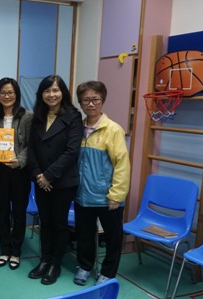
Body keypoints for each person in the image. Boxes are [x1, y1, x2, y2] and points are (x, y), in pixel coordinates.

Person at [72, 80, 130, 286]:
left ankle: (108, 272)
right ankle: (85, 266)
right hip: (82, 195)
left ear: (102, 101)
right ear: (80, 103)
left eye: (95, 99)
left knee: (113, 237)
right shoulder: (77, 128)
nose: (90, 104)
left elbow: (122, 164)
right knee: (85, 234)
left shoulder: (113, 129)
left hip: (107, 196)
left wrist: (116, 194)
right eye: (86, 100)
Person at [27, 75, 82, 285]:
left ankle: (55, 264)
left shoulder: (73, 116)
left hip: (62, 181)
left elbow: (72, 151)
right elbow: (31, 148)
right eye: (47, 90)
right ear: (42, 94)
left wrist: (48, 175)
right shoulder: (38, 116)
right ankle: (44, 260)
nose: (52, 94)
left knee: (59, 225)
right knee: (45, 223)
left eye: (56, 90)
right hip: (41, 181)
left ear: (63, 93)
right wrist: (39, 174)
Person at [0, 77, 33, 270]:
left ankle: (16, 251)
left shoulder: (28, 117)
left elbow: (32, 146)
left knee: (19, 212)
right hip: (0, 171)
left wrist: (20, 161)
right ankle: (4, 249)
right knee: (3, 211)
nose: (6, 96)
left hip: (20, 172)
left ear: (16, 95)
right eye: (3, 93)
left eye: (10, 93)